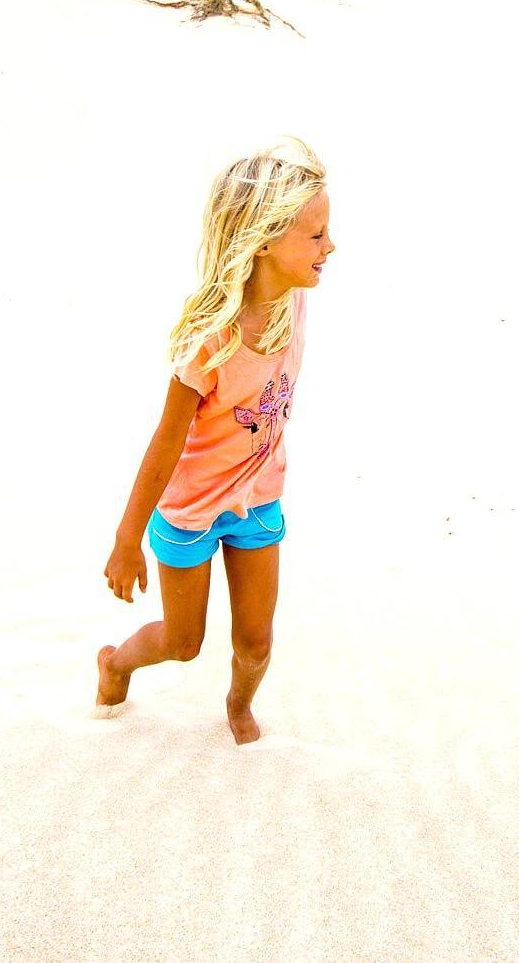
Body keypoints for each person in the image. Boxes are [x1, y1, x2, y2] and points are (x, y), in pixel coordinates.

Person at [95, 136, 336, 744]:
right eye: (314, 236)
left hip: (258, 498)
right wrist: (128, 537)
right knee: (183, 641)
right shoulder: (209, 340)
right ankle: (115, 661)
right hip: (190, 511)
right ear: (261, 242)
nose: (329, 247)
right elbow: (166, 442)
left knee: (256, 639)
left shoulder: (295, 302)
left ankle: (238, 706)